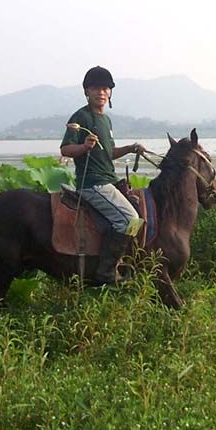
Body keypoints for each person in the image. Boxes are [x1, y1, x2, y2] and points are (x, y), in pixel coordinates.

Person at [60, 66, 145, 284]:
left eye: (106, 88)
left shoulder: (106, 121)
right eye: (96, 88)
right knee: (130, 219)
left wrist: (131, 148)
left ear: (110, 92)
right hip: (93, 184)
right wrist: (84, 147)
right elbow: (66, 149)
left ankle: (124, 262)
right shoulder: (81, 117)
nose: (101, 92)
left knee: (138, 209)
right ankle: (106, 272)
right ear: (87, 91)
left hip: (109, 181)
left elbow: (109, 154)